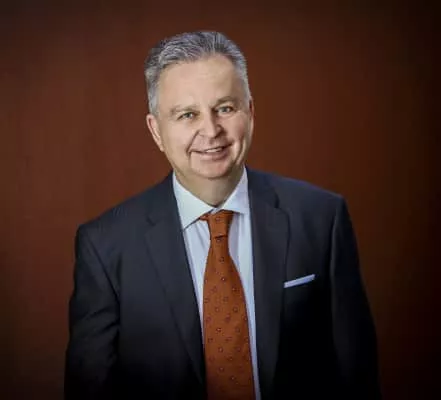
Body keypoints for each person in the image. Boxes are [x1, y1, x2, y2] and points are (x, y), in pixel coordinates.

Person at [65, 31, 381, 400]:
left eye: (226, 108)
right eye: (187, 114)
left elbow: (357, 376)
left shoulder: (321, 218)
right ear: (156, 131)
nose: (211, 130)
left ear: (251, 112)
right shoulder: (105, 246)